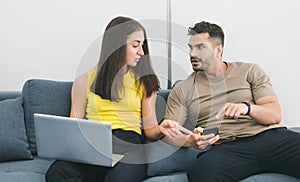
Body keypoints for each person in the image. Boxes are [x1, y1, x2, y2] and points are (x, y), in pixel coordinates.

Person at [160, 21, 300, 181]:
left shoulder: (249, 71)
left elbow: (274, 115)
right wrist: (190, 141)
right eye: (190, 47)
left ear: (218, 50)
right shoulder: (183, 89)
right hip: (229, 147)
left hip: (271, 138)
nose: (192, 53)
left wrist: (246, 108)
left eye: (200, 47)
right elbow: (168, 131)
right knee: (202, 171)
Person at [46, 16, 167, 182]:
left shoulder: (145, 82)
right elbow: (74, 126)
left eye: (142, 45)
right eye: (135, 45)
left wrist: (163, 129)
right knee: (57, 173)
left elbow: (151, 130)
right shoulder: (84, 81)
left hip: (129, 148)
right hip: (94, 147)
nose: (142, 52)